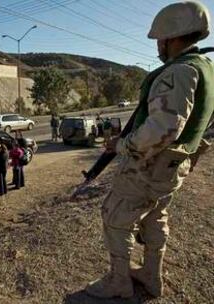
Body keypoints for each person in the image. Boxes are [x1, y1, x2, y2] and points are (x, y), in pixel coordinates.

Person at [85, 2, 214, 299]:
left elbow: (163, 129)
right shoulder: (206, 69)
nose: (158, 45)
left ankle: (119, 281)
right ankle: (150, 276)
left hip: (150, 165)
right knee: (155, 214)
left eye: (160, 39)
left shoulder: (178, 72)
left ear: (172, 36)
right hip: (173, 167)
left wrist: (121, 144)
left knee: (115, 217)